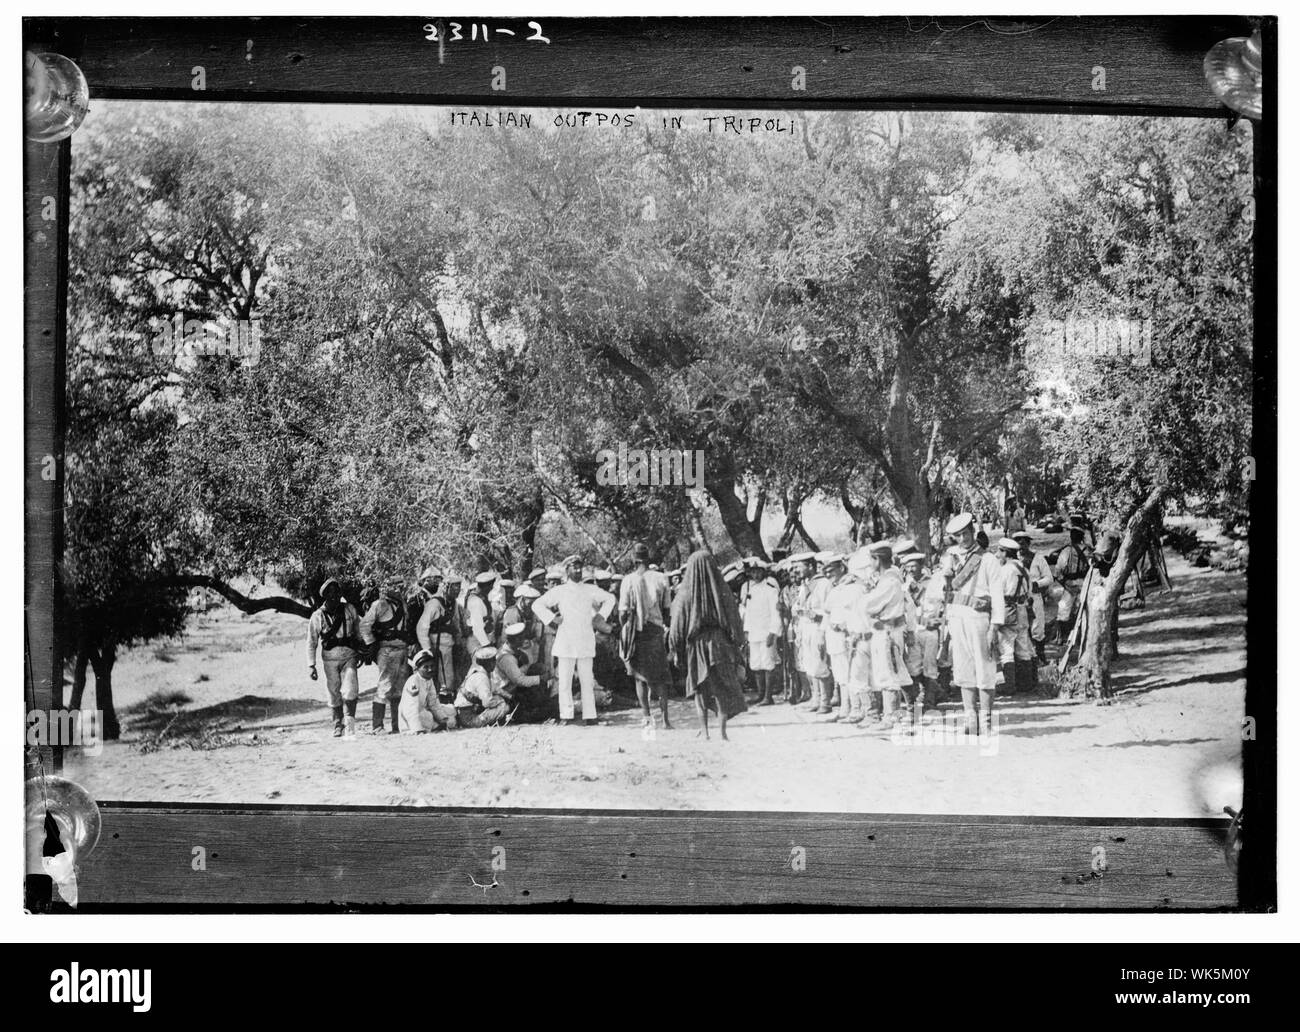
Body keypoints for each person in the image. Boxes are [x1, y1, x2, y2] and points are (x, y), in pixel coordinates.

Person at [667, 549, 749, 741]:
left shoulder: (685, 593)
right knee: (720, 689)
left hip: (696, 645)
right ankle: (722, 732)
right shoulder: (722, 589)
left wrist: (676, 649)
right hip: (720, 644)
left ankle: (704, 732)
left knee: (699, 688)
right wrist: (737, 642)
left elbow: (677, 626)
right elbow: (734, 619)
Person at [533, 555, 617, 726]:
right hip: (566, 642)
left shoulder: (589, 589)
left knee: (587, 680)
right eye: (574, 567)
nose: (577, 570)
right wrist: (552, 619)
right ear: (567, 570)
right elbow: (537, 604)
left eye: (580, 567)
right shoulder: (560, 591)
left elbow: (610, 598)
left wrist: (600, 617)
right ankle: (566, 715)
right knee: (564, 681)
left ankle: (590, 715)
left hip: (585, 641)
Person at [939, 513, 1002, 735]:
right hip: (958, 617)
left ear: (973, 532)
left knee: (985, 668)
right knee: (963, 668)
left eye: (966, 534)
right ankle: (970, 719)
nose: (963, 539)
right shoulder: (951, 558)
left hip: (979, 618)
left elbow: (997, 595)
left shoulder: (987, 559)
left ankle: (985, 721)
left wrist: (995, 625)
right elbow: (945, 592)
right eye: (958, 536)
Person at [856, 542, 914, 729]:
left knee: (889, 673)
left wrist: (865, 596)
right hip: (883, 629)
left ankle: (892, 716)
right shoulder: (885, 579)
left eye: (872, 559)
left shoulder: (890, 581)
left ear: (877, 559)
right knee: (892, 672)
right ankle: (905, 713)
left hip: (888, 631)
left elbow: (868, 605)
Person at [619, 543, 673, 729]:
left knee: (640, 677)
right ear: (648, 558)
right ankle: (665, 720)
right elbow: (667, 610)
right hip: (656, 631)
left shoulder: (628, 580)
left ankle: (647, 719)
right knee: (660, 677)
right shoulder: (661, 578)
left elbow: (623, 612)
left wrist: (627, 628)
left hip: (637, 632)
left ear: (634, 560)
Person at [306, 578, 362, 738]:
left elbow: (358, 631)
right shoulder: (318, 616)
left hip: (349, 655)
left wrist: (362, 649)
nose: (334, 597)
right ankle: (338, 724)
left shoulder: (349, 609)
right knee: (333, 691)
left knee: (351, 689)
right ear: (324, 596)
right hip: (330, 658)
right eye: (330, 594)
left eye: (337, 593)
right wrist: (311, 665)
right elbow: (311, 641)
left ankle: (350, 725)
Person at [360, 576, 412, 734]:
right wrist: (371, 644)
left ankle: (398, 725)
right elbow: (364, 625)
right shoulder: (380, 604)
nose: (398, 588)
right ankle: (377, 726)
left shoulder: (403, 604)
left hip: (402, 649)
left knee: (400, 688)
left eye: (400, 585)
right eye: (394, 585)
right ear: (387, 587)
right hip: (387, 650)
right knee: (384, 686)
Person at [825, 553, 868, 722]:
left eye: (832, 570)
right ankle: (845, 709)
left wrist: (843, 626)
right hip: (835, 636)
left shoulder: (855, 587)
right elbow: (828, 609)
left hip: (848, 635)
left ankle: (855, 710)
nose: (829, 575)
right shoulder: (837, 588)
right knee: (841, 674)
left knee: (851, 674)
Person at [990, 537, 1035, 695]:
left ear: (1005, 553)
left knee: (1006, 648)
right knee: (1023, 645)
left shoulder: (1004, 570)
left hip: (1008, 610)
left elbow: (997, 593)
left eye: (999, 551)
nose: (997, 554)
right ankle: (1026, 683)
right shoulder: (1024, 568)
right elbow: (1030, 591)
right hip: (1022, 609)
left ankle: (1009, 685)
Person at [741, 558, 783, 706]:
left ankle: (768, 696)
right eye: (753, 572)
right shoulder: (750, 590)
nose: (756, 575)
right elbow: (748, 613)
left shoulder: (771, 590)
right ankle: (760, 694)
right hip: (754, 633)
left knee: (768, 663)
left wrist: (773, 632)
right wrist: (746, 631)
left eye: (758, 572)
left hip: (766, 632)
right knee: (756, 663)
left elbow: (775, 613)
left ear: (764, 572)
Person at [807, 553, 842, 713]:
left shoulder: (826, 585)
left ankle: (826, 701)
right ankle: (819, 698)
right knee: (815, 665)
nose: (825, 572)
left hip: (825, 628)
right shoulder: (810, 585)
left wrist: (818, 616)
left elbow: (828, 610)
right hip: (814, 628)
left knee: (823, 665)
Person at [1014, 530, 1053, 664]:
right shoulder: (1012, 561)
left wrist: (1037, 583)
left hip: (1034, 596)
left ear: (1029, 543)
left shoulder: (1038, 558)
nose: (1021, 544)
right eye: (1018, 541)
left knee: (1038, 627)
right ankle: (1026, 660)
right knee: (1021, 628)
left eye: (1024, 541)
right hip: (1018, 600)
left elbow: (1049, 577)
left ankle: (1040, 656)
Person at [415, 567, 456, 695]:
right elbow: (420, 627)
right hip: (429, 645)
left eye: (437, 579)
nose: (434, 582)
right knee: (436, 680)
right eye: (431, 579)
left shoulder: (449, 602)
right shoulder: (420, 599)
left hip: (445, 645)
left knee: (446, 678)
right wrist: (427, 649)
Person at [497, 623, 549, 722]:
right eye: (520, 639)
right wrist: (540, 679)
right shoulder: (506, 658)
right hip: (507, 693)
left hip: (512, 687)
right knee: (544, 710)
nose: (523, 641)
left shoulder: (510, 649)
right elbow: (519, 680)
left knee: (537, 668)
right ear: (513, 640)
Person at [398, 650, 457, 733]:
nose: (430, 669)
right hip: (412, 717)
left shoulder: (428, 679)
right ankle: (428, 727)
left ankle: (436, 725)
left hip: (425, 711)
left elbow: (433, 703)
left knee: (450, 711)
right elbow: (411, 708)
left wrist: (442, 719)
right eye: (425, 667)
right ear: (418, 669)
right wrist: (417, 728)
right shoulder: (413, 681)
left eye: (432, 666)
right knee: (426, 716)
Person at [455, 645, 511, 728]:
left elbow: (495, 688)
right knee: (505, 708)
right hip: (469, 717)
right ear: (487, 663)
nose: (495, 663)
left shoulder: (478, 672)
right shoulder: (481, 677)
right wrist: (501, 701)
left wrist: (509, 696)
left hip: (467, 712)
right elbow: (487, 702)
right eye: (493, 661)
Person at [1054, 525, 1093, 641]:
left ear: (1071, 537)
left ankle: (1062, 637)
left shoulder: (1066, 551)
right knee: (1084, 609)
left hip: (1069, 584)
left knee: (1063, 610)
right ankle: (1080, 636)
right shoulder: (1089, 550)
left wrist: (1064, 584)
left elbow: (1058, 571)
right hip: (1085, 584)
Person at [465, 571, 497, 650]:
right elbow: (477, 628)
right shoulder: (476, 601)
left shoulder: (482, 598)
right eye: (491, 586)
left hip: (484, 638)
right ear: (486, 586)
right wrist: (486, 645)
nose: (492, 588)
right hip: (478, 642)